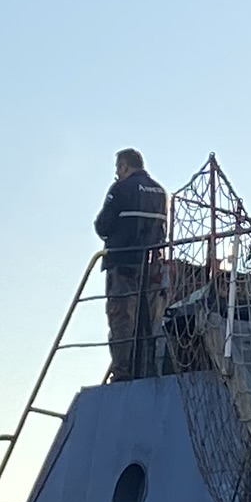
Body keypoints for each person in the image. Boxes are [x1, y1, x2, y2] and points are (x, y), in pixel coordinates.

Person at [96, 150, 171, 378]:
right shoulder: (160, 191)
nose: (117, 174)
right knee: (148, 320)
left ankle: (122, 371)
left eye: (117, 169)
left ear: (123, 166)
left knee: (121, 319)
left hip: (123, 263)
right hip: (151, 266)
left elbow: (103, 226)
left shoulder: (120, 189)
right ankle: (147, 368)